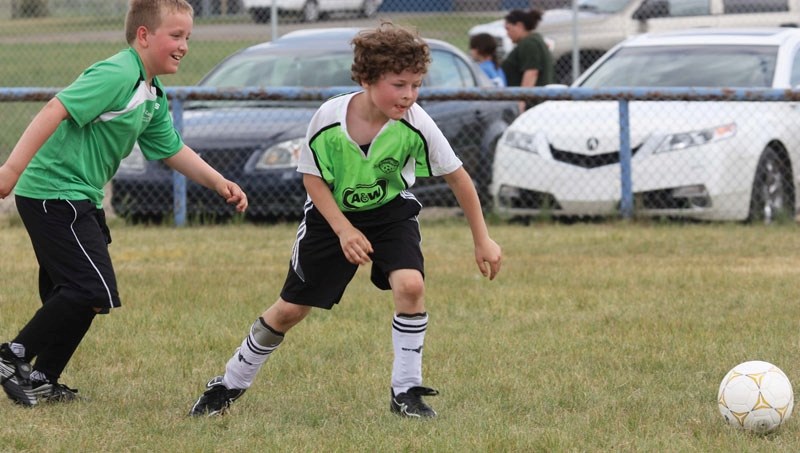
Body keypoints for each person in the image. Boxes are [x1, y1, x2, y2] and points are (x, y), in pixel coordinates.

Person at [189, 21, 502, 418]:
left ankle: (406, 393)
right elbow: (312, 178)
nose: (409, 95)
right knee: (289, 310)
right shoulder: (330, 117)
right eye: (399, 84)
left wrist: (483, 240)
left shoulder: (416, 123)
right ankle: (229, 383)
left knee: (410, 285)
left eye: (416, 85)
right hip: (330, 215)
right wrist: (343, 229)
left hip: (390, 213)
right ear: (368, 78)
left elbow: (459, 178)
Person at [0, 0, 248, 406]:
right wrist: (11, 169)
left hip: (79, 196)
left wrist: (221, 183)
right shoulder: (118, 72)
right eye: (176, 35)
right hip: (52, 193)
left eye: (188, 37)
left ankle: (41, 378)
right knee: (88, 289)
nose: (184, 45)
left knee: (85, 296)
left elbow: (171, 149)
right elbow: (55, 108)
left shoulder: (151, 92)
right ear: (144, 35)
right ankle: (11, 358)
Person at [500, 9, 555, 111]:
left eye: (508, 28)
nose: (507, 33)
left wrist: (522, 101)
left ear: (520, 26)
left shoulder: (529, 44)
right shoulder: (533, 40)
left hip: (532, 105)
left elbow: (531, 72)